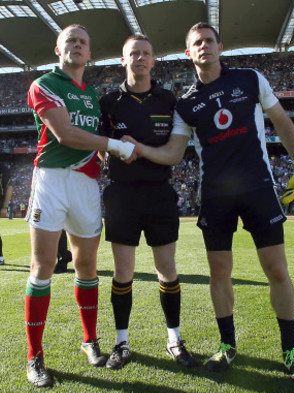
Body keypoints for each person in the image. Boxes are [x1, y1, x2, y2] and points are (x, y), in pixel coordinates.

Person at [123, 22, 294, 381]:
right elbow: (175, 153)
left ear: (220, 47)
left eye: (209, 41)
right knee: (220, 274)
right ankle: (228, 346)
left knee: (276, 270)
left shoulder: (250, 79)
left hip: (258, 189)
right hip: (216, 196)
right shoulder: (186, 104)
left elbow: (282, 121)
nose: (204, 46)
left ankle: (291, 351)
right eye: (197, 43)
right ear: (188, 53)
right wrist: (140, 148)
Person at [23, 24, 135, 388]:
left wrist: (111, 147)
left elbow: (95, 138)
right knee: (42, 267)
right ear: (58, 49)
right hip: (52, 179)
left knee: (86, 265)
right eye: (70, 40)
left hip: (86, 184)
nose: (77, 45)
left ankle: (89, 340)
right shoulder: (44, 84)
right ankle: (34, 356)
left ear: (90, 54)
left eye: (83, 42)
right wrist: (116, 147)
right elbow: (65, 133)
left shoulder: (93, 96)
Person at [98, 34, 197, 370]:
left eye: (145, 54)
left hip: (159, 193)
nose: (139, 58)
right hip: (121, 195)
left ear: (153, 61)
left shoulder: (169, 100)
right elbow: (99, 146)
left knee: (166, 270)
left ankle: (174, 339)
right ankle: (122, 343)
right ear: (123, 60)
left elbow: (174, 154)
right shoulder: (108, 101)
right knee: (123, 271)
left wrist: (138, 149)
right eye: (133, 53)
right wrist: (115, 148)